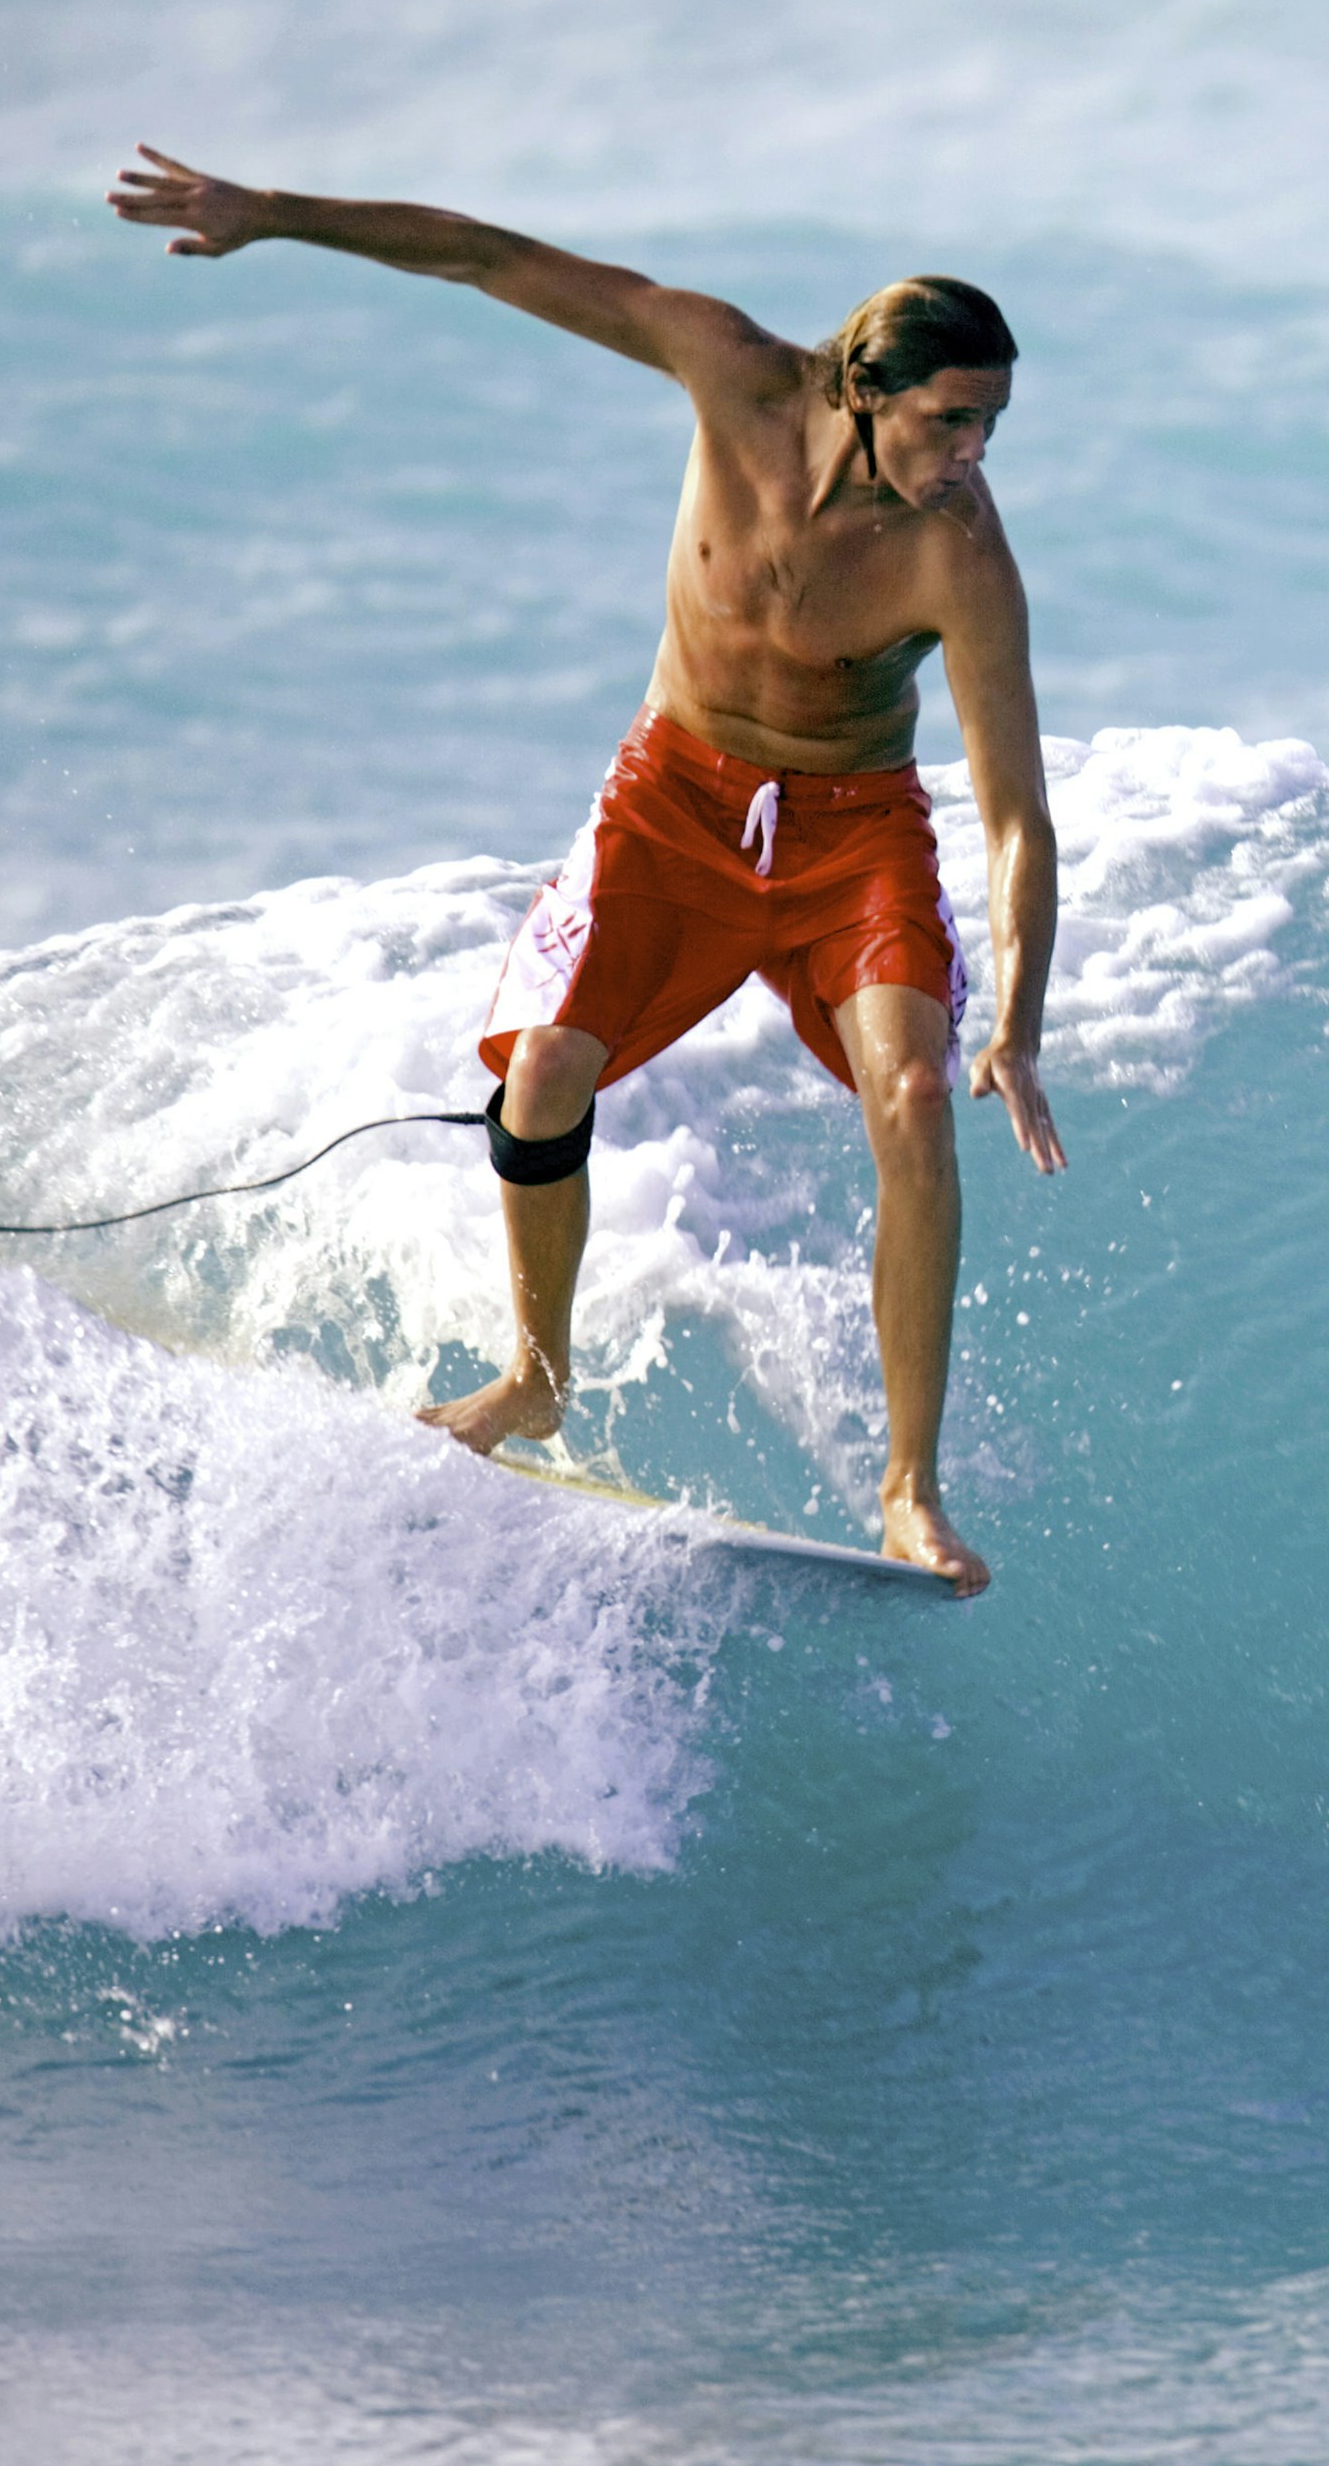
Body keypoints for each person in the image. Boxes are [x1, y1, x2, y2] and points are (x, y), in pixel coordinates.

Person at [110, 145, 1064, 1596]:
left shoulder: (960, 557)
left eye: (992, 426)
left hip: (851, 835)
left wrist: (1018, 1022)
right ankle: (534, 1379)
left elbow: (1014, 820)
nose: (975, 457)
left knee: (919, 1094)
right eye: (952, 422)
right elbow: (488, 256)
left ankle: (909, 1489)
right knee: (542, 1079)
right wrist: (272, 218)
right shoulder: (730, 372)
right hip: (672, 802)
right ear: (865, 392)